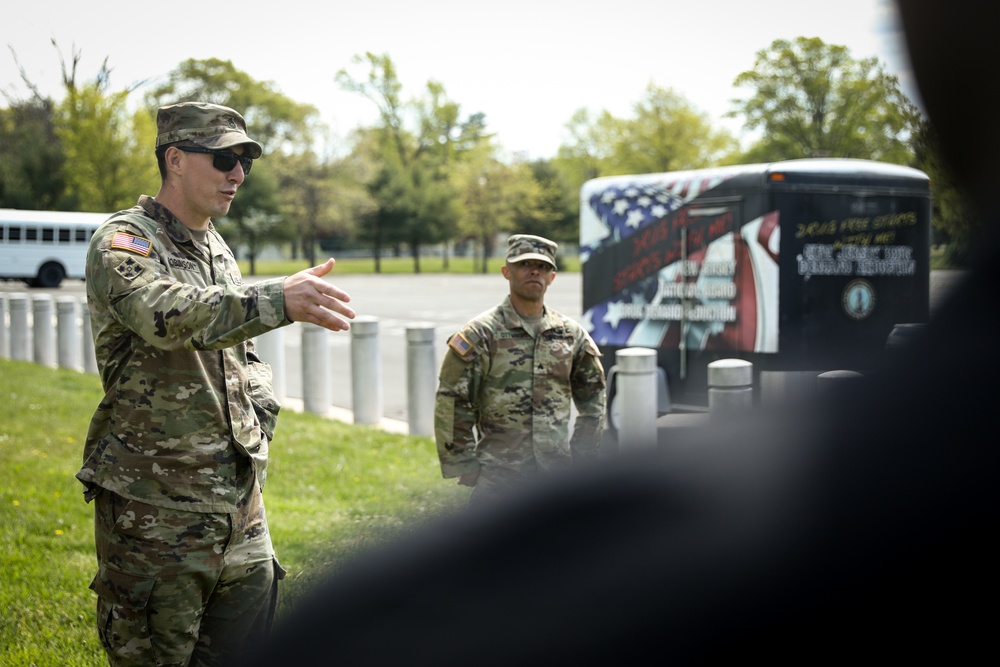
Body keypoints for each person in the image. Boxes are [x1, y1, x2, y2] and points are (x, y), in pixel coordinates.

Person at [77, 101, 356, 666]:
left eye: (244, 161)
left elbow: (242, 352)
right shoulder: (125, 241)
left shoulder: (217, 248)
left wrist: (260, 417)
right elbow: (165, 314)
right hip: (156, 505)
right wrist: (277, 298)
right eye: (225, 158)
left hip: (237, 501)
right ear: (175, 159)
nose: (239, 174)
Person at [434, 233, 607, 503]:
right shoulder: (481, 334)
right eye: (525, 264)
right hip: (498, 478)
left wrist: (583, 458)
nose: (535, 271)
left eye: (544, 267)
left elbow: (594, 398)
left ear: (552, 277)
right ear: (507, 272)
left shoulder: (571, 334)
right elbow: (452, 398)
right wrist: (463, 463)